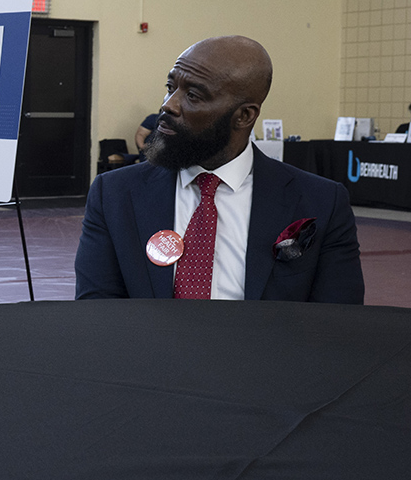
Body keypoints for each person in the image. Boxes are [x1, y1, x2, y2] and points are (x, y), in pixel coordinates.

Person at [74, 35, 364, 303]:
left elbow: (336, 323)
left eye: (193, 96)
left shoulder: (322, 202)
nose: (168, 106)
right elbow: (98, 312)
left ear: (244, 116)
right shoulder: (113, 194)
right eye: (170, 87)